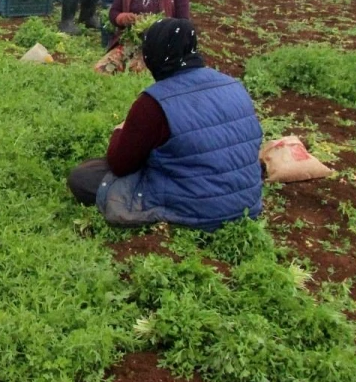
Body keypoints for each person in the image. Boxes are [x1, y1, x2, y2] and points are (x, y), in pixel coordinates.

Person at [67, 19, 263, 230]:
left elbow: (120, 164)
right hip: (246, 204)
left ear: (154, 54)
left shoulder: (153, 103)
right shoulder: (233, 85)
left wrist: (120, 131)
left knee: (84, 177)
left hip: (198, 207)